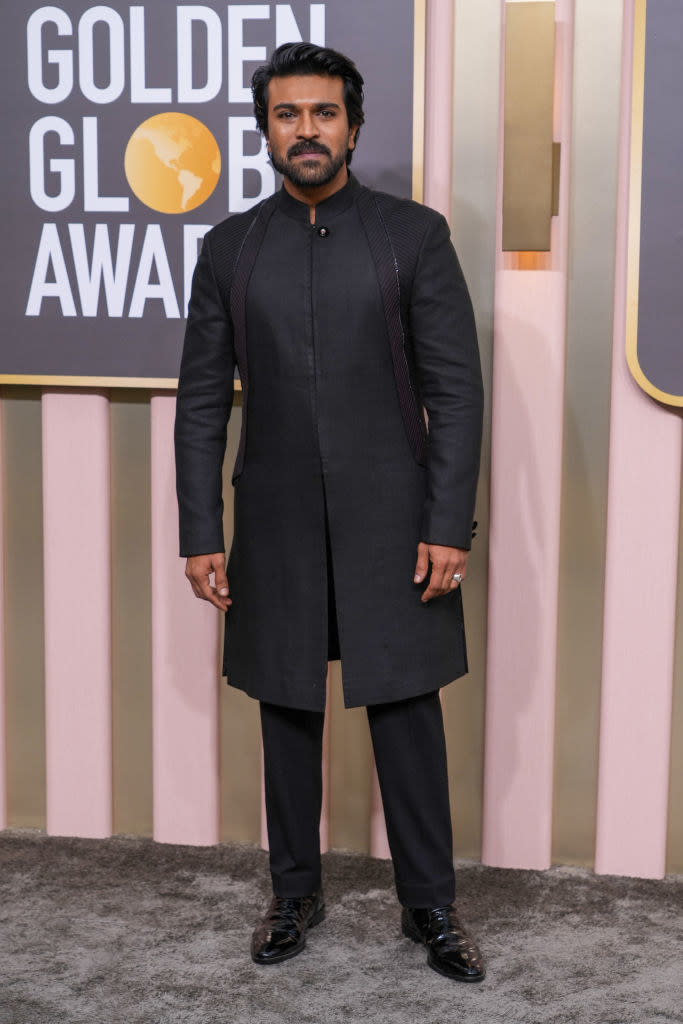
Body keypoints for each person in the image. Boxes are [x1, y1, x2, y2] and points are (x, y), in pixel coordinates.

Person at [174, 42, 485, 983]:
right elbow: (199, 402)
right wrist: (200, 534)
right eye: (285, 115)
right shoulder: (231, 247)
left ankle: (429, 905)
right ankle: (293, 892)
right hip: (269, 520)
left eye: (321, 113)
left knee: (405, 708)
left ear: (353, 124)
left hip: (398, 521)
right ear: (265, 129)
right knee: (287, 709)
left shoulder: (413, 235)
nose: (304, 130)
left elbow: (455, 392)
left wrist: (445, 523)